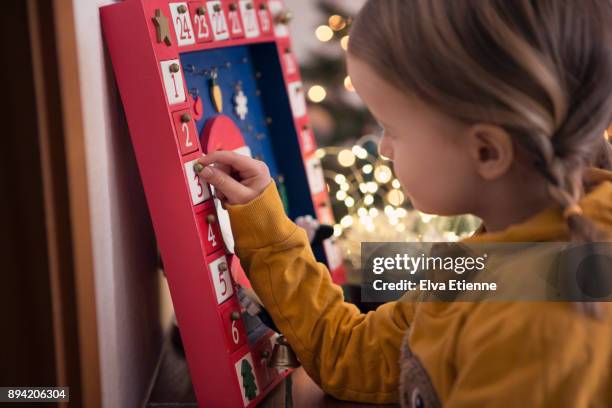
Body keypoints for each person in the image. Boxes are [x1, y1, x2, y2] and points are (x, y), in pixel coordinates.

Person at [195, 0, 612, 406]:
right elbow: (356, 354)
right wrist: (265, 228)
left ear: (487, 151)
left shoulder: (535, 331)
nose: (384, 149)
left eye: (392, 128)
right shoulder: (499, 250)